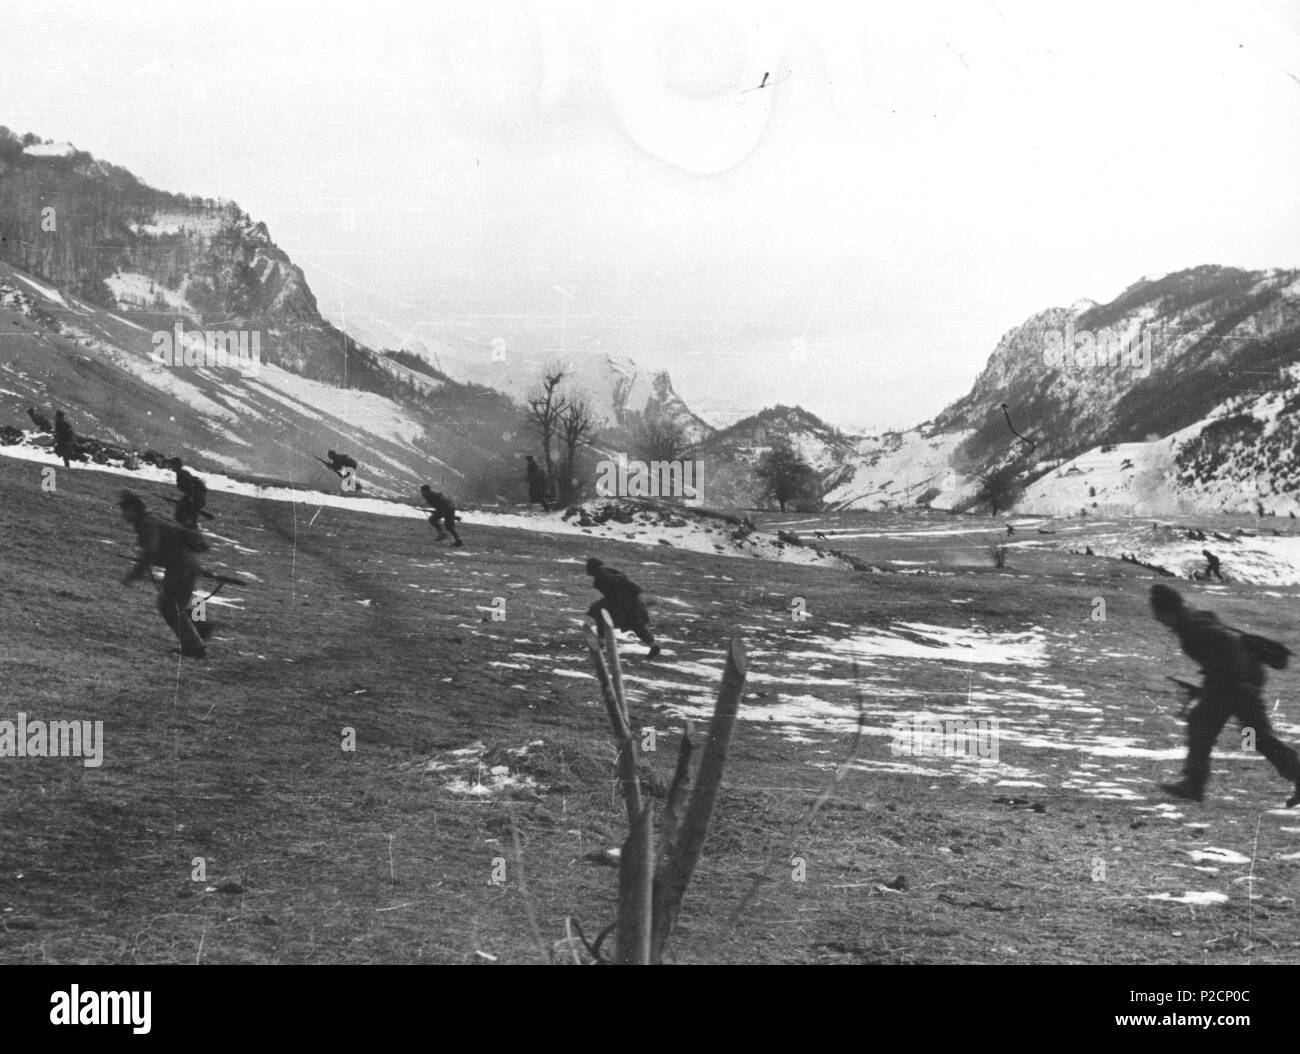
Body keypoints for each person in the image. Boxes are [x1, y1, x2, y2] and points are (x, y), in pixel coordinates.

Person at [1151, 583, 1300, 807]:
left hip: (1237, 683)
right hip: (1234, 681)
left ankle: (1194, 784)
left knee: (1208, 726)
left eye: (1159, 614)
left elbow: (1231, 650)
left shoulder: (1195, 628)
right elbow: (1221, 657)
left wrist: (1241, 684)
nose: (1158, 620)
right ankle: (1194, 784)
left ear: (1167, 610)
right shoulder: (1192, 621)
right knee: (1243, 733)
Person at [118, 489, 212, 659]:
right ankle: (198, 633)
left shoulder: (146, 523)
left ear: (132, 509)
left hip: (181, 567)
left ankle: (195, 647)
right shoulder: (150, 519)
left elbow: (151, 551)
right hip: (183, 565)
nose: (122, 515)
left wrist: (134, 574)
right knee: (172, 605)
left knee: (169, 606)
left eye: (124, 510)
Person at [585, 557, 659, 658]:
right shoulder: (601, 578)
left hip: (630, 604)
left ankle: (654, 647)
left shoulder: (611, 578)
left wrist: (635, 604)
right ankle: (600, 641)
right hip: (617, 602)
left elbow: (635, 589)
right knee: (600, 615)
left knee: (636, 625)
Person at [171, 457, 208, 528]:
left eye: (172, 465)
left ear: (176, 465)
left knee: (188, 511)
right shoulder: (182, 473)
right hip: (197, 494)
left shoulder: (181, 474)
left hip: (197, 495)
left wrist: (191, 497)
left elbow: (190, 485)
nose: (171, 467)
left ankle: (189, 527)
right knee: (187, 510)